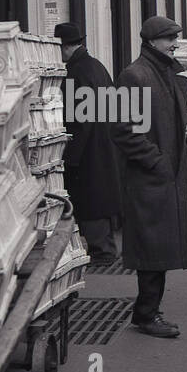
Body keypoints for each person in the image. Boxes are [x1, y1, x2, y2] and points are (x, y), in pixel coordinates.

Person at [108, 16, 187, 338]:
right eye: (170, 38)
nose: (175, 44)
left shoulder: (163, 72)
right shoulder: (134, 75)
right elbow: (121, 129)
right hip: (150, 177)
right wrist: (157, 162)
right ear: (152, 41)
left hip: (163, 176)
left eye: (175, 38)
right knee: (152, 248)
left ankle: (148, 311)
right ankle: (146, 314)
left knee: (160, 247)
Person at [55, 22, 121, 265]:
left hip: (88, 148)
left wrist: (69, 155)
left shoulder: (76, 72)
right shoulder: (96, 66)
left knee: (91, 198)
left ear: (64, 48)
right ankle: (104, 248)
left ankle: (102, 252)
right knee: (99, 196)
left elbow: (79, 121)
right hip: (104, 142)